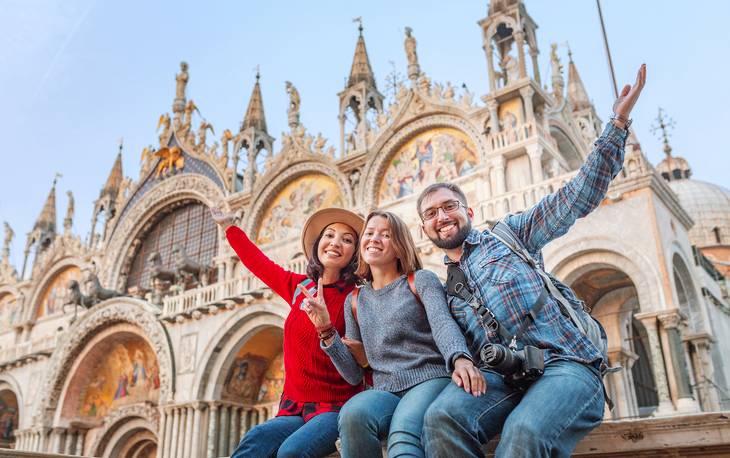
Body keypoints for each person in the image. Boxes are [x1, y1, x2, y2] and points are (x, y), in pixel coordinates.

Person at [418, 65, 646, 458]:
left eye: (449, 206)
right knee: (441, 419)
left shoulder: (511, 236)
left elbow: (576, 197)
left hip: (567, 366)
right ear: (424, 228)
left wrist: (618, 123)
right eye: (431, 213)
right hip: (504, 381)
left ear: (468, 210)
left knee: (524, 432)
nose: (442, 217)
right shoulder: (445, 292)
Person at [298, 211, 485, 458]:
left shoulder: (420, 280)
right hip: (385, 391)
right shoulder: (355, 299)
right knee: (353, 414)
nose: (374, 239)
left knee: (403, 434)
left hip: (429, 380)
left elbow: (443, 324)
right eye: (369, 233)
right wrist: (325, 329)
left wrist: (459, 357)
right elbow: (354, 375)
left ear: (399, 248)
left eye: (385, 235)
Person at [210, 206, 367, 458]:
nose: (335, 243)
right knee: (255, 441)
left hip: (336, 408)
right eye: (329, 235)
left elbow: (357, 368)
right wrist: (230, 228)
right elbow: (259, 264)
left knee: (292, 452)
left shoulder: (358, 298)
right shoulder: (298, 287)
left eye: (346, 240)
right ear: (318, 244)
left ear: (355, 254)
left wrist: (325, 327)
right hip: (294, 407)